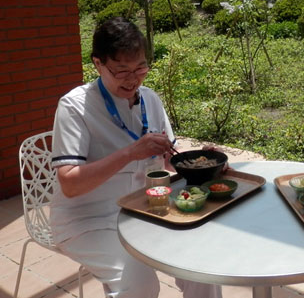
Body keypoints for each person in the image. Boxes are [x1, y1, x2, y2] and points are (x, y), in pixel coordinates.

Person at [49, 17, 222, 298]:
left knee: (200, 264)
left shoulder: (150, 99)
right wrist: (130, 153)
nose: (133, 79)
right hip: (87, 219)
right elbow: (69, 184)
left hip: (145, 210)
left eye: (140, 67)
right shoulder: (75, 106)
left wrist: (202, 163)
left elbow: (167, 162)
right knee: (139, 283)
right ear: (98, 64)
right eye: (121, 70)